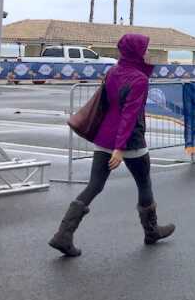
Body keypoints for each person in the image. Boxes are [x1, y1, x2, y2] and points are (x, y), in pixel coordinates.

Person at [49, 34, 174, 257]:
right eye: (144, 49)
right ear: (137, 52)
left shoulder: (113, 72)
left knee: (95, 185)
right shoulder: (139, 79)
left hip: (105, 136)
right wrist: (120, 148)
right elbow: (130, 114)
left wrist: (113, 144)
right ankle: (151, 231)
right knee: (144, 183)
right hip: (130, 139)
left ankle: (63, 234)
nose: (146, 53)